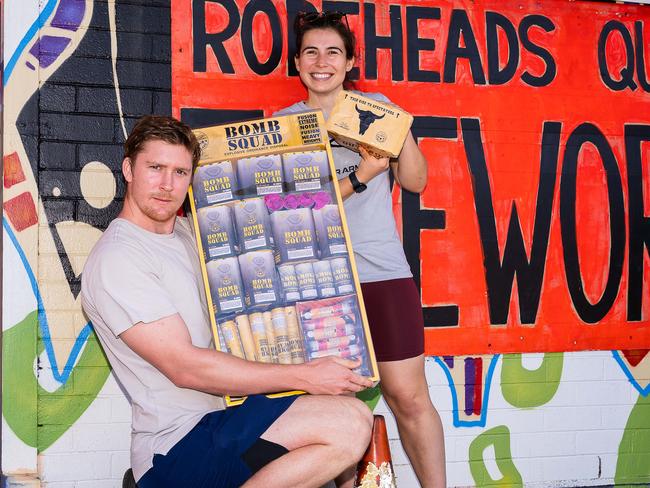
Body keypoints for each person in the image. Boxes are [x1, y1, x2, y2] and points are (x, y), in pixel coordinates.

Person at [80, 115, 374, 488]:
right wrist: (307, 375)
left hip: (225, 418)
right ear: (129, 169)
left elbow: (284, 211)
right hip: (176, 447)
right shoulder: (119, 258)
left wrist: (361, 176)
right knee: (347, 424)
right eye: (155, 168)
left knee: (348, 445)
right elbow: (185, 368)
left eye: (180, 172)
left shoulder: (189, 234)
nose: (167, 185)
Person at [275, 11, 447, 488]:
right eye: (311, 52)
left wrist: (399, 130)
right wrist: (362, 176)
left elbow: (416, 182)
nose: (321, 61)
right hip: (318, 283)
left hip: (383, 275)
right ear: (297, 62)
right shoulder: (285, 125)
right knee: (339, 406)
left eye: (333, 51)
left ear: (349, 61)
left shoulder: (377, 108)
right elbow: (293, 207)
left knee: (409, 398)